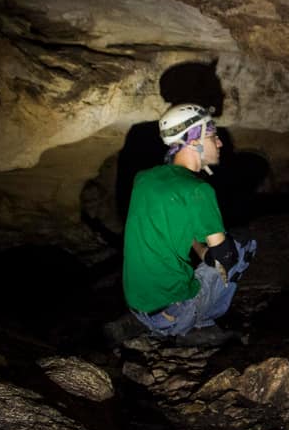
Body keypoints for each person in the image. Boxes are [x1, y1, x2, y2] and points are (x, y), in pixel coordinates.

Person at [105, 103, 256, 346]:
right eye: (213, 136)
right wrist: (207, 254)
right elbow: (225, 257)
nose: (220, 143)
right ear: (193, 140)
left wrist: (199, 249)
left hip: (137, 304)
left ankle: (143, 321)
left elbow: (175, 228)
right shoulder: (198, 189)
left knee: (193, 251)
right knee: (243, 243)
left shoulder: (144, 178)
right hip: (174, 314)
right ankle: (198, 323)